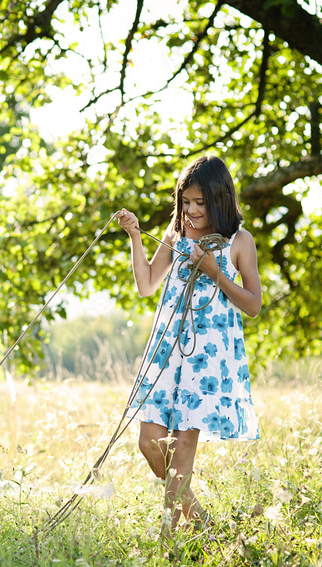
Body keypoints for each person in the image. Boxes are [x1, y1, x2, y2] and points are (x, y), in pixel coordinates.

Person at [117, 155, 261, 533]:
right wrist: (135, 236)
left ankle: (170, 538)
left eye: (200, 203)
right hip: (167, 352)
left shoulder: (238, 242)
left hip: (207, 361)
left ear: (220, 201)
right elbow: (147, 284)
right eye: (186, 203)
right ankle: (201, 520)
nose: (192, 211)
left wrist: (215, 273)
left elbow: (253, 305)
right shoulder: (176, 235)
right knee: (149, 441)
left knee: (181, 449)